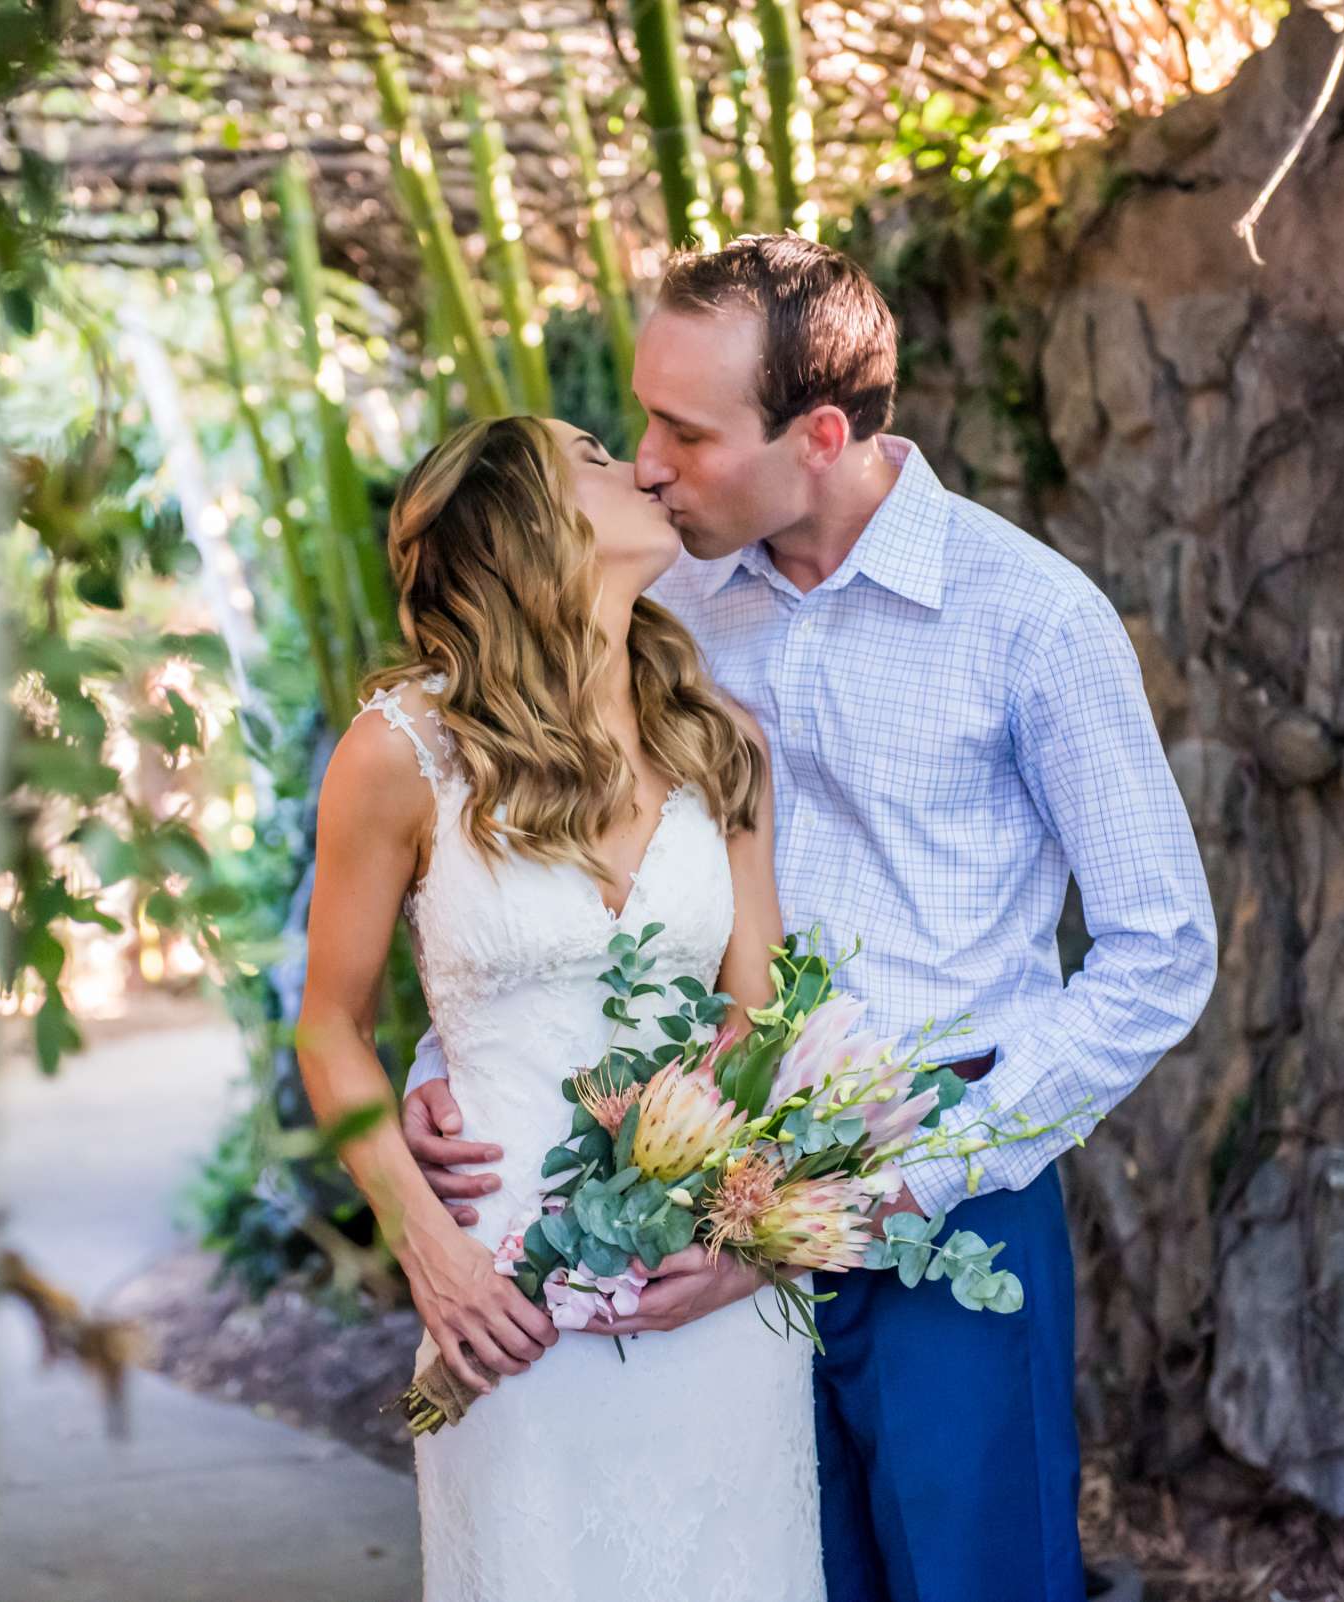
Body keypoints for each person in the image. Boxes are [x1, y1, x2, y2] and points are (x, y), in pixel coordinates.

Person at [401, 234, 1219, 1602]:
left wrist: (906, 1181)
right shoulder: (649, 600)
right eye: (640, 423)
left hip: (937, 1193)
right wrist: (461, 1067)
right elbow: (548, 862)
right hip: (673, 1203)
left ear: (821, 432)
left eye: (685, 430)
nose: (648, 463)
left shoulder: (1029, 620)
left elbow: (1160, 951)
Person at [296, 413, 824, 1602]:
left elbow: (765, 1023)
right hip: (503, 1302)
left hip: (706, 1295)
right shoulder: (399, 755)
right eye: (591, 458)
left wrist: (745, 1238)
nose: (639, 464)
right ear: (522, 529)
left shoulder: (718, 742)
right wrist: (429, 1256)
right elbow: (329, 1027)